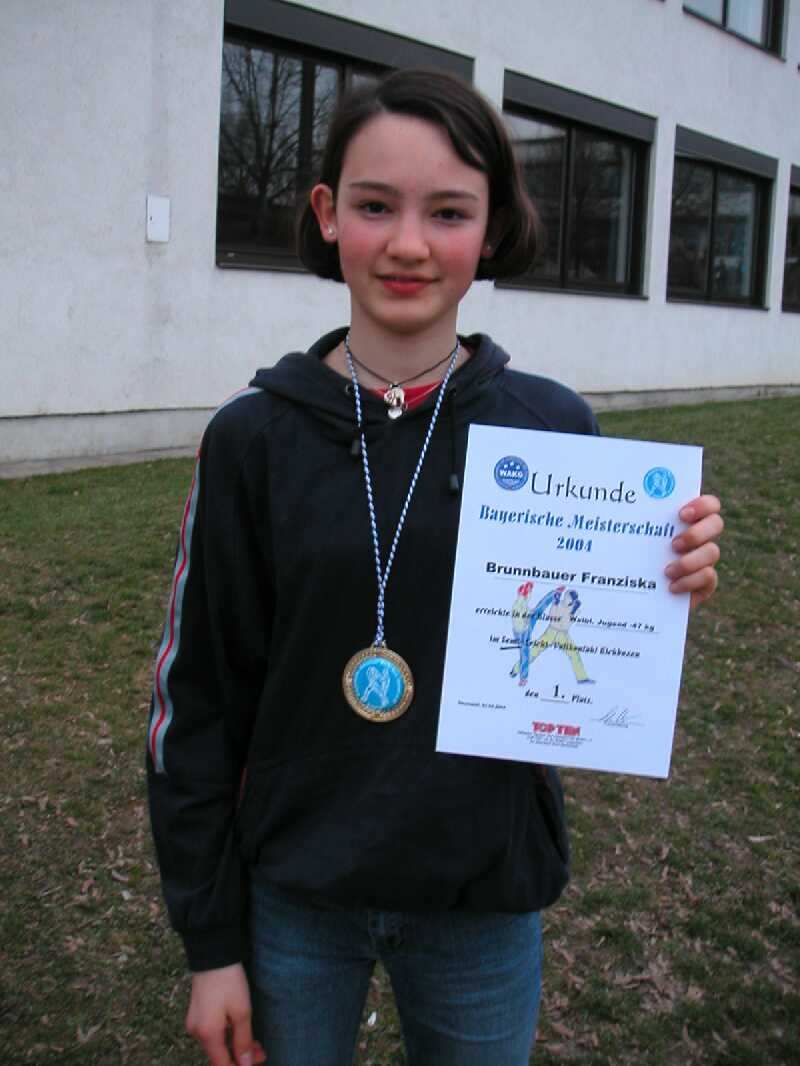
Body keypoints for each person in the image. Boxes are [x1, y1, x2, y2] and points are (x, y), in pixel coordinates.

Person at [146, 68, 723, 1066]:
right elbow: (196, 700)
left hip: (478, 894)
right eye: (376, 205)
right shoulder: (252, 440)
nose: (409, 244)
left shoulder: (551, 428)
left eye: (448, 212)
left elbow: (589, 643)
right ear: (328, 213)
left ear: (491, 228)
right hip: (297, 894)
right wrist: (211, 945)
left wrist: (661, 578)